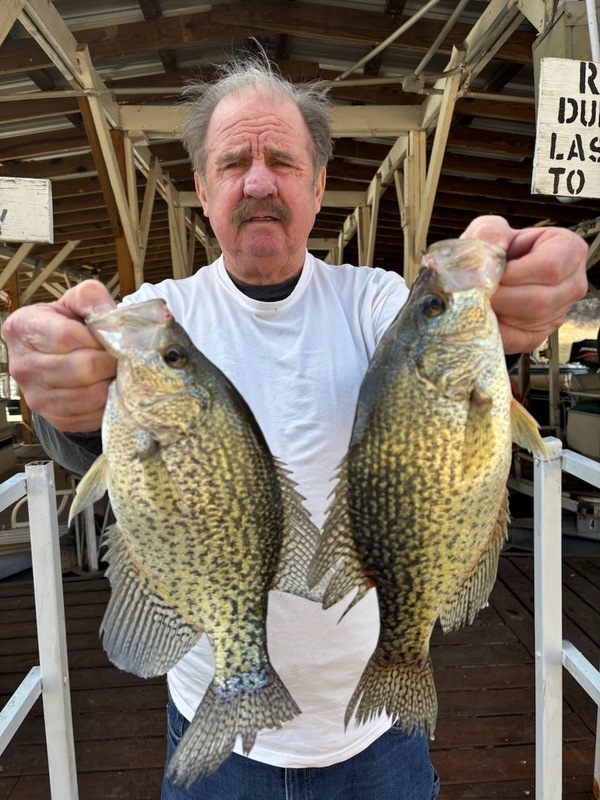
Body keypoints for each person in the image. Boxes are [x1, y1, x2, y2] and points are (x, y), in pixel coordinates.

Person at [3, 54, 589, 800]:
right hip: (210, 716)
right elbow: (88, 437)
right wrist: (69, 410)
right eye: (233, 163)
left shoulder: (378, 304)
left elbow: (443, 348)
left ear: (317, 187)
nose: (257, 182)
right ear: (203, 191)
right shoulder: (156, 318)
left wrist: (515, 292)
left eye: (282, 160)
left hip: (377, 737)